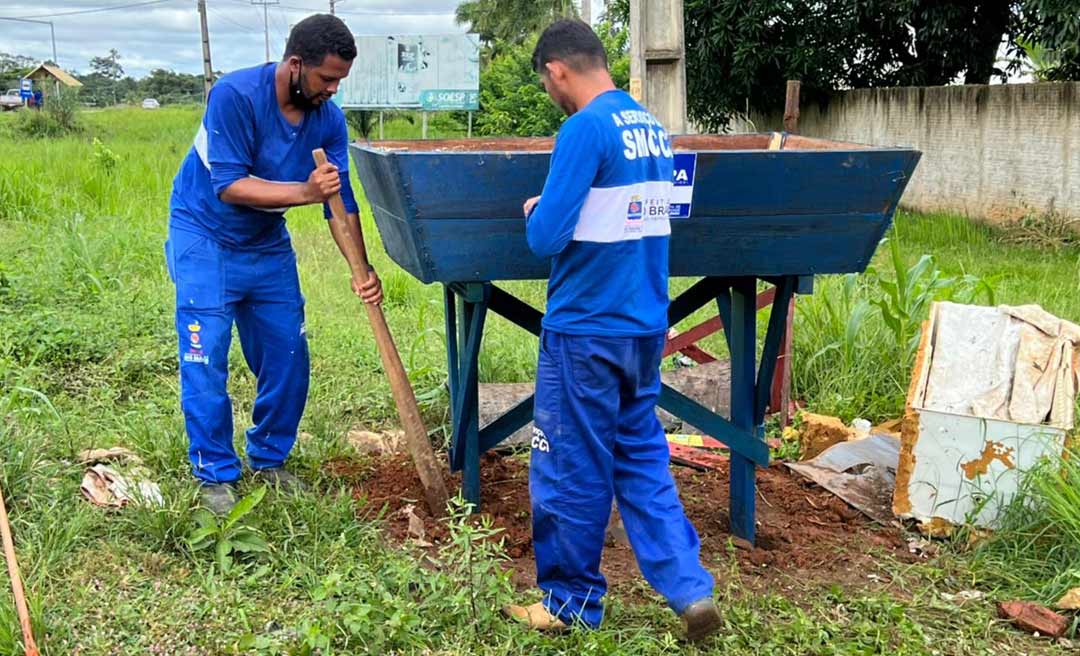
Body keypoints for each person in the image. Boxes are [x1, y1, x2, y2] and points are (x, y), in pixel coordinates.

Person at [502, 19, 721, 642]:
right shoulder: (649, 127)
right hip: (643, 327)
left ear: (557, 71)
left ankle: (569, 602)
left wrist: (537, 210)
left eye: (547, 83)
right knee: (641, 458)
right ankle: (689, 588)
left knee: (568, 464)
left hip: (585, 331)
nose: (552, 93)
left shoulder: (583, 128)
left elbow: (547, 238)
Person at [166, 13, 382, 514]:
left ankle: (268, 458)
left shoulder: (327, 120)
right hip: (205, 236)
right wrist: (306, 192)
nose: (333, 90)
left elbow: (341, 201)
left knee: (288, 353)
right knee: (206, 355)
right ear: (295, 64)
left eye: (340, 81)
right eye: (327, 78)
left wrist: (361, 270)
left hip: (266, 242)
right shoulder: (236, 96)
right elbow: (229, 184)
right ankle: (215, 474)